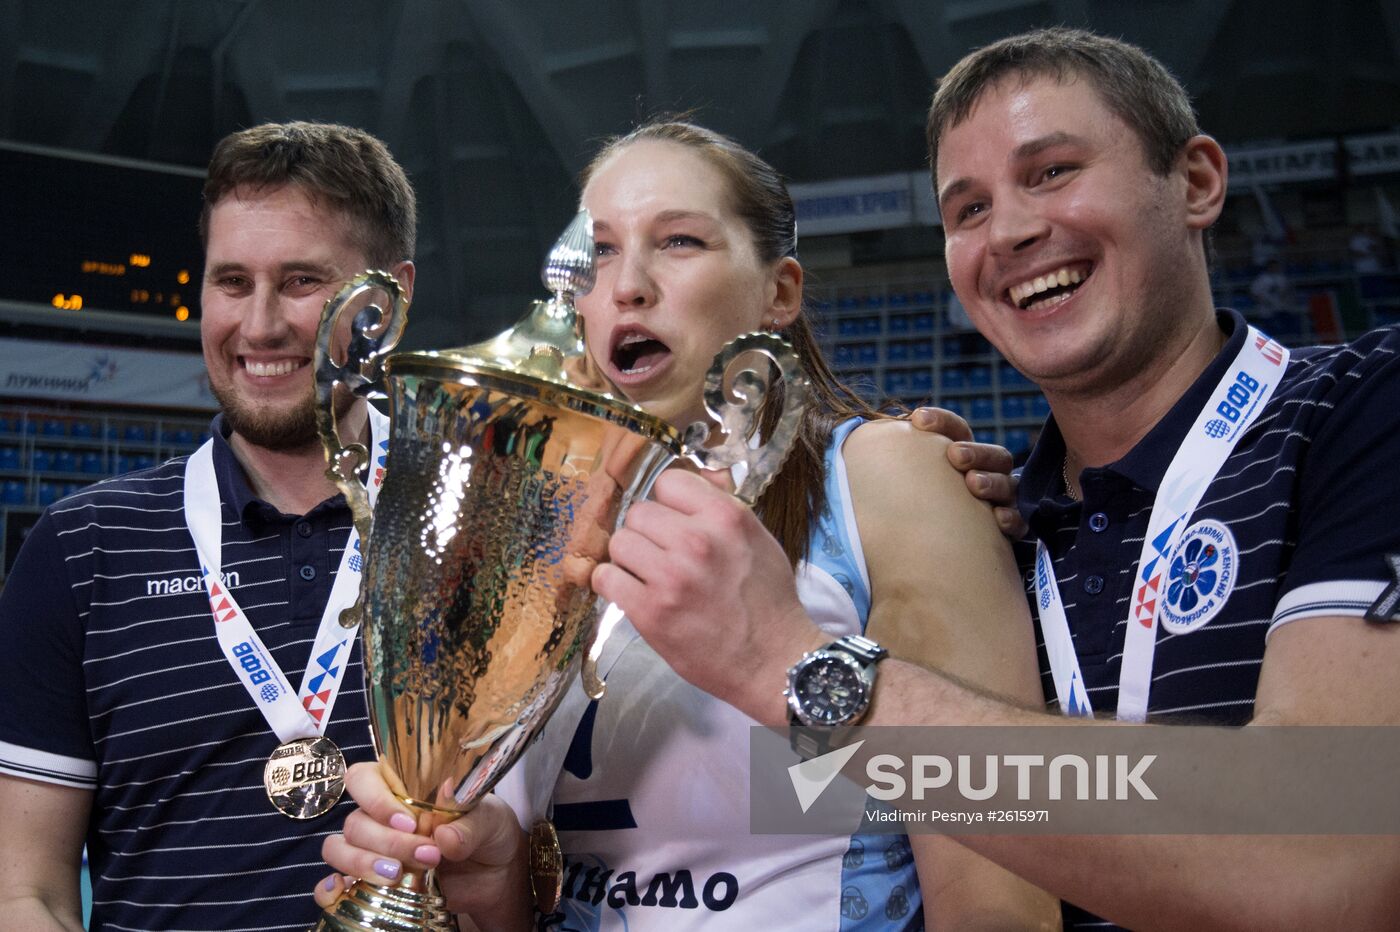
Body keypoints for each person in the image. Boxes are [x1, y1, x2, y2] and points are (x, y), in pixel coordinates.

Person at [569, 29, 1400, 930]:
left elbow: (1339, 842)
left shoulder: (1361, 412)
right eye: (966, 209)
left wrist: (798, 667)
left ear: (1196, 181)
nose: (1008, 230)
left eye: (1051, 172)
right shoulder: (1007, 513)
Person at [314, 121, 1060, 929]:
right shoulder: (531, 527)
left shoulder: (883, 479)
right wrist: (491, 888)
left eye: (678, 241)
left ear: (780, 290)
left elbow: (1002, 901)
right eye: (598, 251)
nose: (627, 284)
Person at [0, 121, 415, 930]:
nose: (258, 327)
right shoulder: (79, 550)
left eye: (301, 281)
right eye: (231, 281)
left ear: (387, 298)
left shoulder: (479, 528)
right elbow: (28, 891)